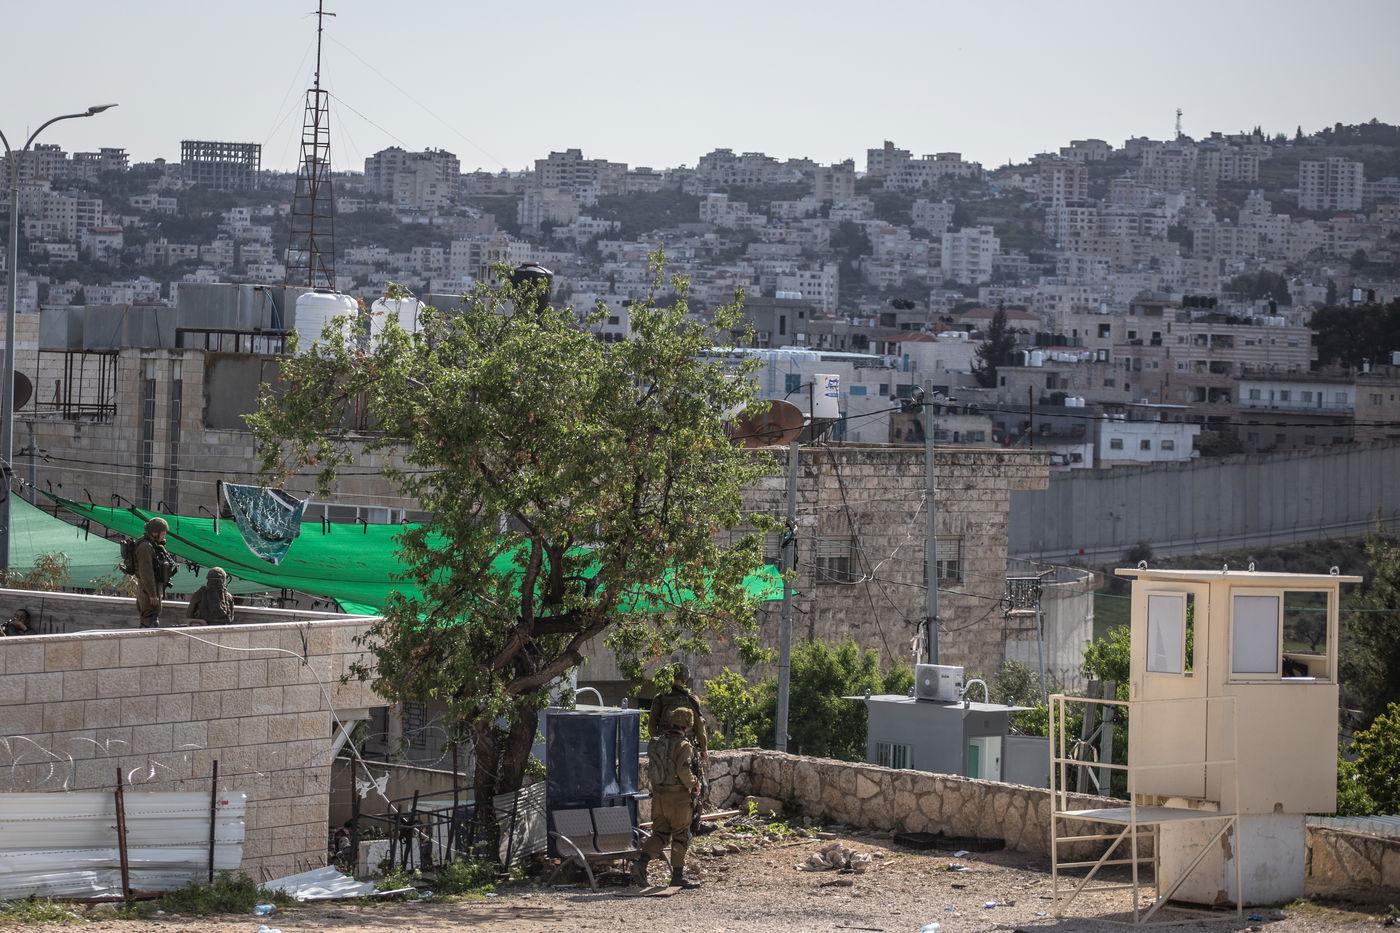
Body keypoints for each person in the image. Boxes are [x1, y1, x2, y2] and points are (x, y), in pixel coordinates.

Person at [634, 706, 701, 889]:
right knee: (680, 835)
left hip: (658, 796)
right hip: (677, 798)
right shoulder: (684, 745)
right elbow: (683, 771)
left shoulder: (658, 742)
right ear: (688, 726)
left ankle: (641, 864)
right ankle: (677, 877)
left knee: (660, 834)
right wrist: (695, 784)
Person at [648, 662, 710, 833]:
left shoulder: (660, 698)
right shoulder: (691, 699)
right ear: (685, 679)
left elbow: (652, 728)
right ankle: (693, 825)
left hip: (663, 749)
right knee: (698, 786)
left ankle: (665, 826)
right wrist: (703, 748)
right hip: (686, 747)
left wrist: (662, 742)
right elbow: (699, 727)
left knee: (664, 785)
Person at [135, 518, 177, 628]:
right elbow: (146, 572)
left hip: (153, 587)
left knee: (153, 618)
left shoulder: (154, 545)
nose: (164, 537)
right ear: (154, 533)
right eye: (162, 534)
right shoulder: (145, 547)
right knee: (149, 620)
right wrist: (152, 594)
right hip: (147, 589)